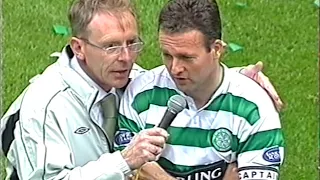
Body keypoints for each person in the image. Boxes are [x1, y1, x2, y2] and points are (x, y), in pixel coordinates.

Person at [0, 0, 282, 179]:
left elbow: (185, 80)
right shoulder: (44, 108)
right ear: (79, 48)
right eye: (111, 46)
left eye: (132, 43)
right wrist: (124, 162)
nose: (126, 58)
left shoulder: (124, 78)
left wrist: (238, 82)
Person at [114, 0, 285, 180]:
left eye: (186, 57)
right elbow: (128, 166)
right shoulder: (141, 94)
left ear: (217, 49)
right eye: (167, 55)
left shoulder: (254, 107)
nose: (174, 68)